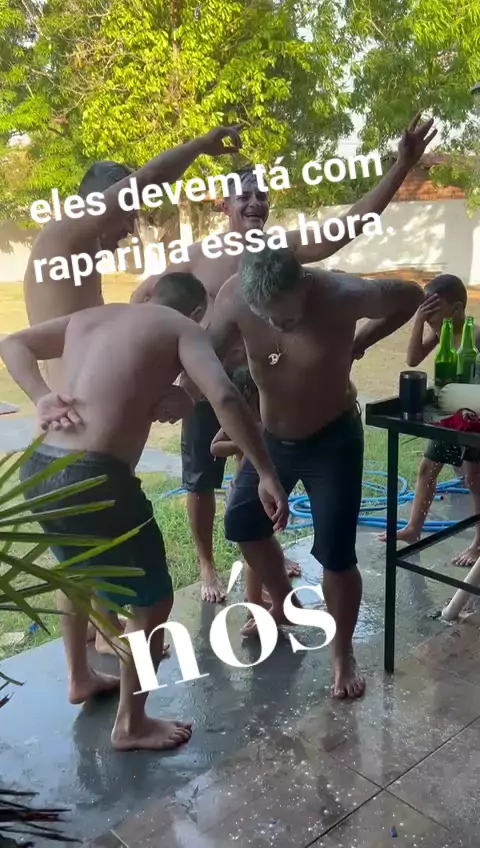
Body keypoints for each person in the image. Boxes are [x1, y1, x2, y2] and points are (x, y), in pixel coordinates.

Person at [132, 113, 437, 603]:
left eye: (262, 194)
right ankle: (208, 565)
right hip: (211, 383)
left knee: (256, 498)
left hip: (270, 393)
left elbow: (350, 224)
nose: (254, 202)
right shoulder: (196, 257)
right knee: (203, 481)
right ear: (223, 203)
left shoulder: (283, 248)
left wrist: (402, 165)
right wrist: (166, 388)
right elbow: (155, 309)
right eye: (243, 195)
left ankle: (266, 600)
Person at [0, 276, 288, 752]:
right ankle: (131, 724)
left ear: (149, 294)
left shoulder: (89, 317)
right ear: (197, 312)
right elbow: (225, 395)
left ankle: (79, 678)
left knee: (77, 574)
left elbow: (12, 343)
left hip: (39, 464)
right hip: (95, 475)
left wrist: (40, 395)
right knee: (152, 603)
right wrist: (265, 471)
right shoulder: (182, 329)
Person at [23, 123, 244, 648]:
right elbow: (148, 180)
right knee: (141, 585)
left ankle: (92, 656)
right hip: (82, 449)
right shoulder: (63, 237)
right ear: (100, 203)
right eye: (127, 214)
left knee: (81, 564)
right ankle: (117, 652)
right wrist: (200, 145)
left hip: (70, 442)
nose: (131, 226)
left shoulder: (77, 257)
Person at [207, 244, 424, 699]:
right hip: (272, 439)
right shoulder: (233, 295)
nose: (276, 325)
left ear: (304, 284)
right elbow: (202, 350)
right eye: (266, 317)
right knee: (242, 522)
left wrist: (362, 340)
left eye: (285, 316)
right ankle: (284, 601)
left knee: (337, 555)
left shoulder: (344, 293)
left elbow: (410, 296)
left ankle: (343, 653)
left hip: (333, 439)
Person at [379, 273, 480, 566]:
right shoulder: (442, 333)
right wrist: (419, 321)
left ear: (457, 309)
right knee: (427, 469)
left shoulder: (474, 336)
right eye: (429, 319)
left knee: (474, 479)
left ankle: (478, 544)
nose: (432, 325)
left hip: (473, 418)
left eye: (434, 317)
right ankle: (413, 529)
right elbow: (412, 359)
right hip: (449, 416)